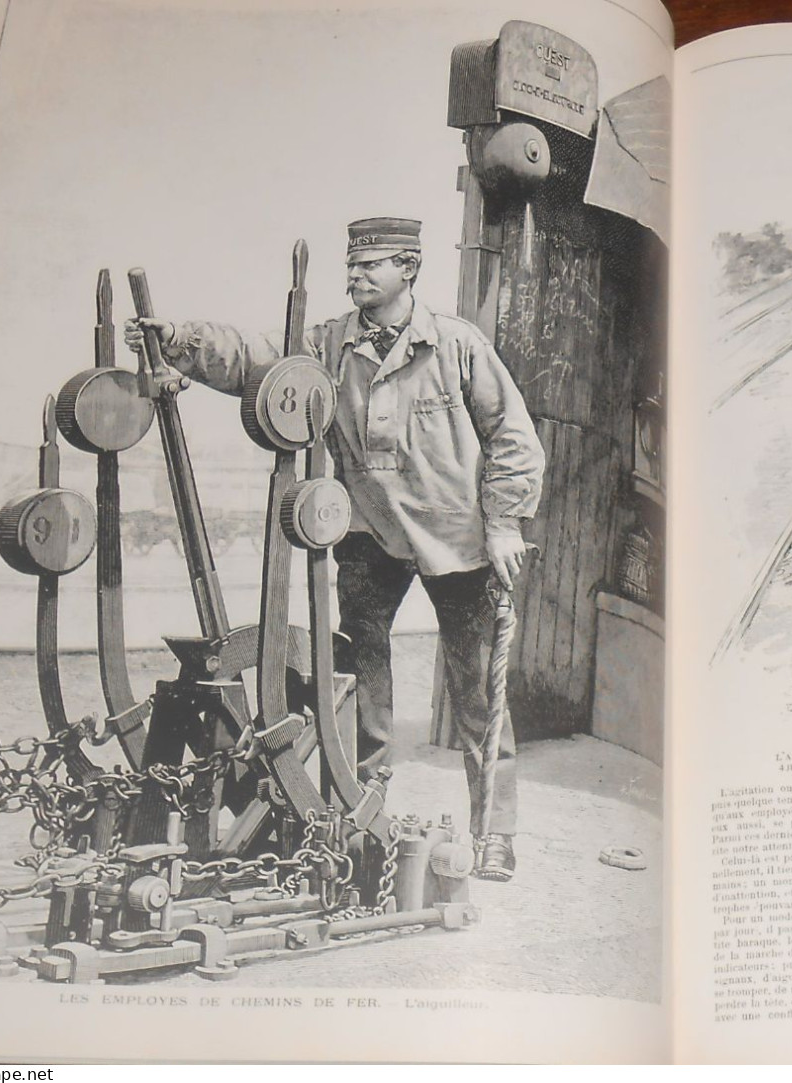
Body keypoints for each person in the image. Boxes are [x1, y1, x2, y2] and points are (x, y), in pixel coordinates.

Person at [126, 216, 546, 881]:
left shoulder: (458, 344)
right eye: (350, 266)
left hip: (456, 538)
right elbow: (254, 358)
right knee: (360, 683)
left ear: (408, 269)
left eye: (370, 265)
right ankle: (365, 812)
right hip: (367, 535)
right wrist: (179, 341)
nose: (354, 276)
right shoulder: (326, 342)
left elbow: (514, 438)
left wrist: (503, 523)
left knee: (476, 692)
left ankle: (494, 830)